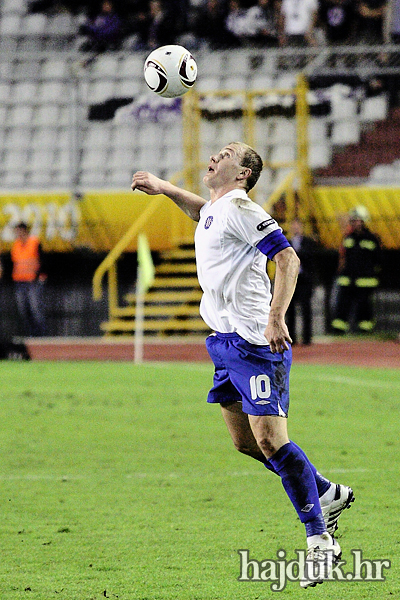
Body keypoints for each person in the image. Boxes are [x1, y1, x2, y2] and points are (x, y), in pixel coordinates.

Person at [131, 141, 354, 588]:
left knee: (271, 440)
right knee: (245, 442)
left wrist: (275, 319)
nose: (216, 155)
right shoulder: (219, 207)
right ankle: (326, 492)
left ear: (243, 174)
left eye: (228, 152)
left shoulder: (242, 209)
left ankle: (320, 543)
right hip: (224, 343)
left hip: (256, 343)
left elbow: (287, 258)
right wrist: (164, 188)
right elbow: (203, 214)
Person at [331, 205, 381, 334]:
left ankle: (365, 329)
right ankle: (339, 329)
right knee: (343, 305)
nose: (355, 223)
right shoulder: (348, 238)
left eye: (357, 220)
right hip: (347, 280)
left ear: (364, 221)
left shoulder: (372, 239)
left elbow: (378, 259)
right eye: (353, 220)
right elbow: (343, 257)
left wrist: (372, 274)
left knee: (364, 306)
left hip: (366, 281)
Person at [11, 222, 47, 338]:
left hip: (33, 281)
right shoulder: (15, 245)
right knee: (23, 310)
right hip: (19, 282)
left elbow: (42, 259)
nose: (17, 234)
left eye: (18, 231)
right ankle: (30, 335)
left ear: (24, 230)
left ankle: (40, 336)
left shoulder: (34, 242)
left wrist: (41, 276)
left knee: (36, 309)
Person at [286, 218, 317, 345]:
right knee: (290, 310)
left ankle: (307, 338)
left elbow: (312, 258)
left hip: (304, 279)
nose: (295, 228)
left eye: (297, 225)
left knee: (306, 308)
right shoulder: (287, 242)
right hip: (291, 280)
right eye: (293, 225)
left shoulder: (308, 242)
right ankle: (291, 337)